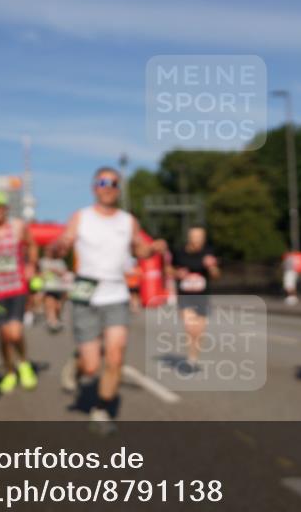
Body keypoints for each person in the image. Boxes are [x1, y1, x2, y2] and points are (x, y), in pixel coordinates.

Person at [52, 167, 167, 435]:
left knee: (115, 356)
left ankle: (101, 409)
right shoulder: (81, 217)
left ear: (118, 188)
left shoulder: (128, 221)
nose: (108, 186)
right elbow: (65, 241)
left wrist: (152, 248)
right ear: (94, 187)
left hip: (116, 293)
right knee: (91, 365)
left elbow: (140, 249)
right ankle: (79, 362)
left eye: (114, 183)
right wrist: (59, 247)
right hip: (85, 291)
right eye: (102, 182)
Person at [0, 190, 39, 393]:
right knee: (4, 334)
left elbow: (32, 245)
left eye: (1, 206)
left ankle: (23, 363)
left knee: (15, 332)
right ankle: (9, 371)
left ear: (6, 208)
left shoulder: (17, 226)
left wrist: (31, 264)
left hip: (17, 286)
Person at [169, 226, 220, 367]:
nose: (197, 240)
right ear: (189, 237)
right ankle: (191, 358)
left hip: (202, 297)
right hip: (185, 296)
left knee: (199, 331)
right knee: (190, 328)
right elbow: (168, 269)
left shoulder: (208, 252)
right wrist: (177, 273)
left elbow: (216, 275)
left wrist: (212, 266)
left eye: (200, 237)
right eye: (195, 237)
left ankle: (194, 356)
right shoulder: (179, 253)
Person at [39, 246, 71, 333]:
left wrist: (56, 271)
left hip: (59, 287)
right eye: (47, 250)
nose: (48, 252)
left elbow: (65, 274)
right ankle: (51, 321)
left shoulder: (60, 261)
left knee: (58, 306)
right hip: (48, 287)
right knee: (50, 302)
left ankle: (56, 318)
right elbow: (38, 274)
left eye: (50, 250)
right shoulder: (42, 261)